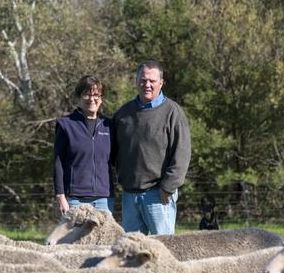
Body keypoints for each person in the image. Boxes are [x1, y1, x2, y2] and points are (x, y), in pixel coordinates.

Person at [113, 60, 191, 234]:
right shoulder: (123, 114)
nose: (147, 85)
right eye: (142, 80)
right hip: (129, 196)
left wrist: (168, 187)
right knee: (131, 254)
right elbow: (113, 151)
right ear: (136, 81)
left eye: (152, 81)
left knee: (163, 253)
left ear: (161, 83)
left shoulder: (173, 112)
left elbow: (182, 154)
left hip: (158, 195)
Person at [53, 75, 114, 215]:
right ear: (79, 97)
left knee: (104, 237)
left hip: (104, 199)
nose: (92, 99)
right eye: (87, 94)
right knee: (74, 237)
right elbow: (58, 163)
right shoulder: (66, 125)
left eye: (96, 95)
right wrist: (61, 196)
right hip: (75, 199)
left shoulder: (109, 125)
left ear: (101, 98)